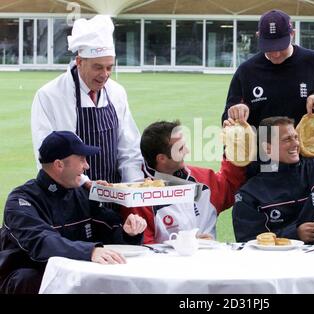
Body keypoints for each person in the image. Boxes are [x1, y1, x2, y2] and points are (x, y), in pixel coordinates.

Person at [0, 131, 147, 294]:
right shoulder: (21, 200)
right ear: (59, 165)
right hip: (27, 281)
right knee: (29, 277)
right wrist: (90, 251)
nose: (87, 166)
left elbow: (108, 230)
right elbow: (42, 242)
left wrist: (129, 232)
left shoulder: (81, 193)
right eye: (81, 159)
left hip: (73, 276)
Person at [31, 15, 143, 187]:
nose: (104, 74)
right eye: (98, 67)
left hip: (113, 196)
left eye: (109, 67)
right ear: (79, 61)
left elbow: (129, 149)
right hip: (69, 197)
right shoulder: (49, 96)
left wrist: (134, 185)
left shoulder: (117, 92)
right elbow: (47, 157)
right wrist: (85, 183)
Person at [232, 116, 314, 243]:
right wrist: (293, 234)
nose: (296, 144)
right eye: (287, 139)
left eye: (296, 137)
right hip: (281, 261)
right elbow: (248, 242)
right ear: (268, 148)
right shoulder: (249, 195)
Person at [121, 120, 246, 243]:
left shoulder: (204, 180)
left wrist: (234, 147)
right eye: (180, 149)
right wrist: (186, 243)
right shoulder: (138, 198)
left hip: (210, 260)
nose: (187, 151)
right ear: (162, 158)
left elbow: (231, 185)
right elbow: (145, 248)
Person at [222, 9, 314, 128]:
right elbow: (227, 119)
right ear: (258, 36)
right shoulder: (246, 71)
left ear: (292, 34)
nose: (276, 54)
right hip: (267, 148)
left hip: (305, 147)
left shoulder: (313, 61)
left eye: (281, 46)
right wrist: (235, 112)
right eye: (269, 47)